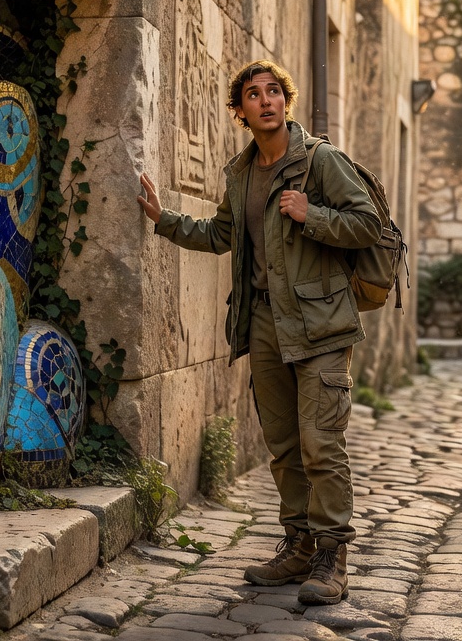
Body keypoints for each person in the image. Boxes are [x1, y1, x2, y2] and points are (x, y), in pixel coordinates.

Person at [136, 60, 380, 605]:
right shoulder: (240, 173)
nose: (266, 100)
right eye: (253, 93)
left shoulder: (320, 160)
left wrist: (312, 213)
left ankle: (332, 554)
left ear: (285, 102)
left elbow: (369, 224)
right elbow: (223, 233)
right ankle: (297, 545)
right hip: (265, 321)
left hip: (321, 323)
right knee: (284, 445)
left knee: (322, 443)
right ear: (240, 109)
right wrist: (164, 219)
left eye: (274, 91)